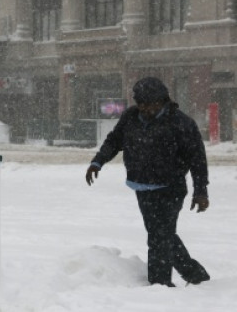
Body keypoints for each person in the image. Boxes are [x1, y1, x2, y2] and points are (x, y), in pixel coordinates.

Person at [85, 76, 210, 287]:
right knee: (161, 234)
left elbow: (197, 159)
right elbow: (114, 140)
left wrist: (201, 191)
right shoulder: (131, 117)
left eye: (150, 103)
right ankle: (194, 273)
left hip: (171, 188)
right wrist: (98, 161)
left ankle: (160, 284)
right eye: (140, 103)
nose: (145, 108)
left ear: (162, 100)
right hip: (142, 187)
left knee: (159, 236)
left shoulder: (181, 123)